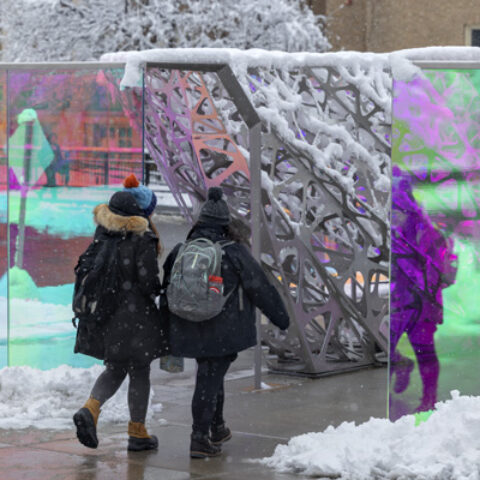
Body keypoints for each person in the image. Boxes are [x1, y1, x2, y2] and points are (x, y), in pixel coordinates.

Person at [162, 187, 290, 459]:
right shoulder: (234, 252)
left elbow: (167, 288)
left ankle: (217, 428)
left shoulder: (182, 250)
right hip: (223, 329)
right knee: (209, 378)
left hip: (189, 325)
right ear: (225, 224)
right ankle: (199, 437)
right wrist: (281, 318)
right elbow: (260, 287)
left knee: (210, 373)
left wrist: (166, 329)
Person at [73, 190, 166, 451]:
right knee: (140, 370)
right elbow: (148, 282)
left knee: (115, 367)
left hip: (107, 315)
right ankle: (137, 432)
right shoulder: (141, 238)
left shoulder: (102, 234)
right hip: (135, 317)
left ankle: (90, 409)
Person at [390, 166, 457, 416]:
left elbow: (437, 269)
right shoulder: (392, 231)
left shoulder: (426, 232)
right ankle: (398, 366)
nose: (394, 217)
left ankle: (429, 397)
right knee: (386, 347)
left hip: (421, 302)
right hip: (398, 300)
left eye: (397, 213)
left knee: (425, 350)